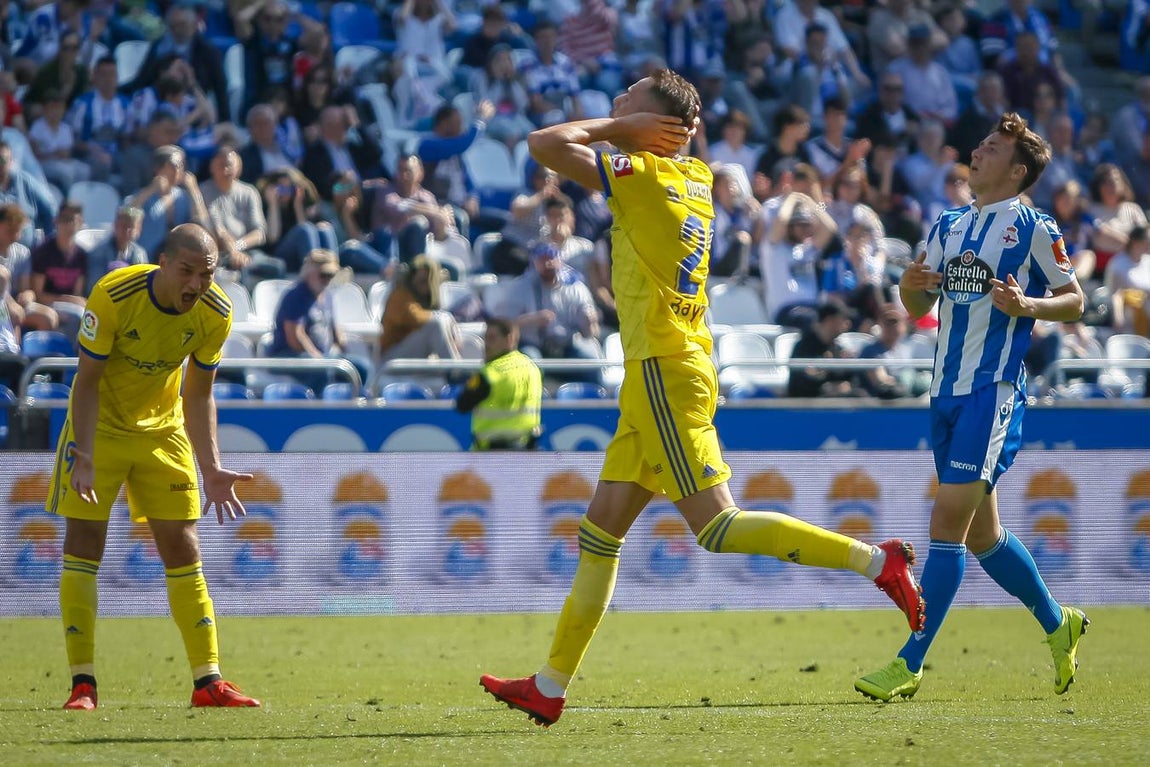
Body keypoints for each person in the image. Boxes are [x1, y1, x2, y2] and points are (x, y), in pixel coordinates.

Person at [479, 68, 925, 728]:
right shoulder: (693, 179)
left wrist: (616, 131)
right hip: (660, 371)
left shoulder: (655, 175)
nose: (617, 103)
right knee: (599, 534)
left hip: (663, 365)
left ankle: (876, 560)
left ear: (653, 124)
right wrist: (631, 131)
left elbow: (543, 143)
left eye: (629, 100)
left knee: (716, 525)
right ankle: (549, 685)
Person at [855, 113, 1089, 703]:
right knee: (984, 537)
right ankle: (1059, 623)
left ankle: (910, 662)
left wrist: (1027, 304)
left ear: (1016, 171)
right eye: (980, 144)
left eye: (991, 148)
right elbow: (915, 305)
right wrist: (910, 285)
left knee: (945, 527)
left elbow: (1076, 301)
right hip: (946, 392)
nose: (976, 152)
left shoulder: (1034, 227)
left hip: (993, 391)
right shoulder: (950, 223)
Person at [47, 222, 260, 711]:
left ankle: (208, 682)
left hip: (162, 432)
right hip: (98, 430)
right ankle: (83, 684)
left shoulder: (216, 312)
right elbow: (88, 380)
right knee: (84, 544)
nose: (195, 284)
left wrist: (212, 466)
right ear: (163, 262)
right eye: (187, 272)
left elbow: (199, 392)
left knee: (184, 546)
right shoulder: (114, 294)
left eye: (205, 275)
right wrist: (84, 453)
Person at [267, 248, 371, 393]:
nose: (327, 280)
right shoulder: (296, 296)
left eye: (331, 275)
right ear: (309, 273)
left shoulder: (327, 295)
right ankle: (321, 412)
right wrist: (318, 358)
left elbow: (334, 329)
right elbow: (295, 337)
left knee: (360, 367)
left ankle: (358, 407)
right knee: (322, 371)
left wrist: (342, 351)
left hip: (322, 356)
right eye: (323, 274)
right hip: (289, 355)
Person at [454, 317, 543, 450]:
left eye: (492, 338)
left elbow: (462, 405)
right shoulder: (532, 367)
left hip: (492, 455)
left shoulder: (489, 374)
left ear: (509, 340)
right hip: (527, 451)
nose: (486, 344)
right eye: (485, 338)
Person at [83, 206, 148, 296]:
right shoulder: (98, 253)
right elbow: (94, 288)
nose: (127, 231)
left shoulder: (140, 253)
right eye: (124, 226)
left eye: (131, 227)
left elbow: (142, 287)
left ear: (138, 230)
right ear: (115, 225)